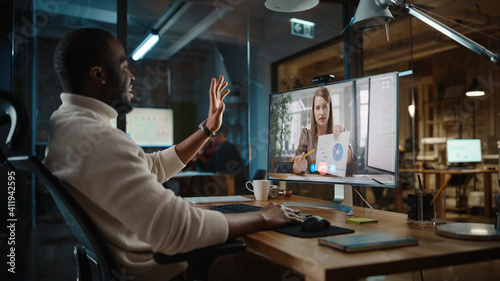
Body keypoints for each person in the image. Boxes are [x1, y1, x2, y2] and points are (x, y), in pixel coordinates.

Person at [44, 28, 303, 281]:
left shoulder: (68, 128)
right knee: (286, 272)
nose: (131, 76)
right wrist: (263, 216)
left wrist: (207, 129)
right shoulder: (99, 139)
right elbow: (178, 228)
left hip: (145, 265)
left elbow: (153, 167)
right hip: (164, 272)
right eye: (123, 67)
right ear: (99, 75)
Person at [292, 87, 357, 175]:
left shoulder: (340, 133)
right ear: (313, 111)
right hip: (313, 187)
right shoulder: (306, 134)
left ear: (330, 109)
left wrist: (342, 140)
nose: (321, 112)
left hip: (336, 186)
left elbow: (352, 168)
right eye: (317, 108)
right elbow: (294, 167)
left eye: (325, 106)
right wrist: (299, 166)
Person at [206, 125, 248, 195]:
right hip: (234, 187)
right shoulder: (227, 148)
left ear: (220, 135)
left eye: (212, 136)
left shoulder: (225, 150)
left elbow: (212, 168)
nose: (210, 139)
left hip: (233, 189)